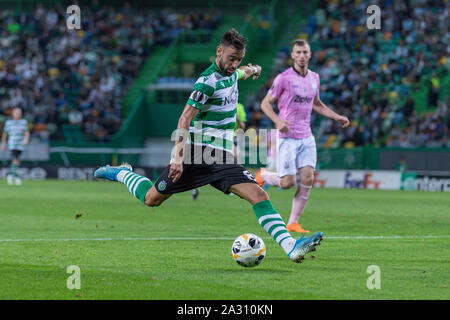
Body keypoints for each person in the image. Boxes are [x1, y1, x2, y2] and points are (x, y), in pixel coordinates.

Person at [95, 29, 323, 263]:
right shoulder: (206, 83)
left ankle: (291, 247)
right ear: (219, 51)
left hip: (221, 157)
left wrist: (254, 69)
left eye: (239, 59)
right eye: (231, 58)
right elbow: (184, 118)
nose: (235, 64)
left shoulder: (232, 73)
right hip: (196, 154)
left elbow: (240, 74)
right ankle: (124, 174)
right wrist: (177, 158)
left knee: (259, 194)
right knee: (151, 198)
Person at [255, 39, 350, 233]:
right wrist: (278, 121)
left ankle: (293, 222)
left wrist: (336, 116)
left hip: (306, 137)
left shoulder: (314, 77)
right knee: (288, 183)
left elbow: (316, 104)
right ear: (292, 55)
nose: (301, 56)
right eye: (298, 52)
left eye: (305, 52)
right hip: (287, 137)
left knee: (307, 178)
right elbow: (265, 103)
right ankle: (263, 175)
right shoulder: (283, 78)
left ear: (310, 54)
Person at [1, 108, 29, 185]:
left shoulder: (24, 122)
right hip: (12, 144)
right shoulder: (9, 123)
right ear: (13, 114)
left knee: (17, 161)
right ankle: (16, 178)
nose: (17, 114)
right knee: (15, 159)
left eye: (19, 113)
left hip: (20, 144)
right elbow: (5, 134)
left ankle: (10, 175)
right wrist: (3, 143)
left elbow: (26, 131)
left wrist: (26, 139)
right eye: (16, 113)